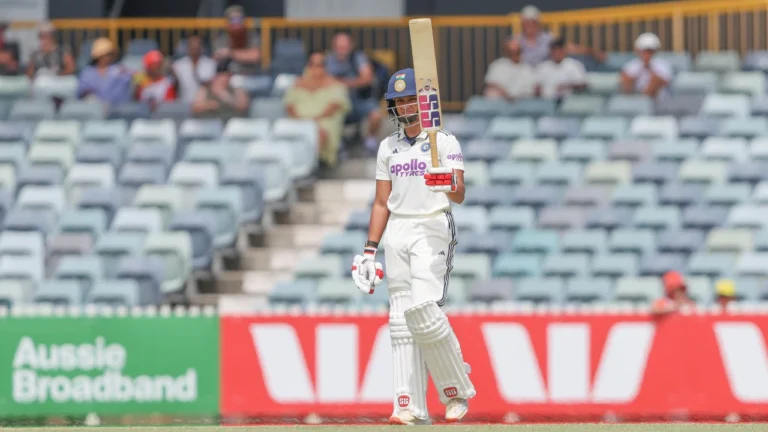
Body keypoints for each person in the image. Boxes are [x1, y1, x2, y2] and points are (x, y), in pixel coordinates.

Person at [351, 68, 475, 425]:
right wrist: (369, 249)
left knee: (423, 310)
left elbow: (459, 193)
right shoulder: (387, 147)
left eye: (410, 99)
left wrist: (439, 174)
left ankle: (456, 388)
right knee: (400, 321)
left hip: (431, 225)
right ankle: (408, 406)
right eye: (398, 100)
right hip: (398, 230)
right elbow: (380, 202)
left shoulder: (444, 141)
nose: (404, 105)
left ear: (424, 104)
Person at [284, 51, 351, 169]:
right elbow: (289, 106)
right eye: (313, 64)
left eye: (320, 65)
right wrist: (300, 120)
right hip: (297, 121)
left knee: (318, 133)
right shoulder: (296, 84)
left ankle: (310, 168)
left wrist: (313, 120)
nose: (316, 68)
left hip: (323, 121)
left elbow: (334, 106)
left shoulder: (335, 85)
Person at [326, 32, 383, 152]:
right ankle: (335, 144)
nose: (342, 50)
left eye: (344, 47)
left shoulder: (358, 57)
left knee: (376, 115)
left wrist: (343, 83)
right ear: (333, 46)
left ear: (350, 46)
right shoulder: (327, 60)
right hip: (336, 103)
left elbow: (367, 78)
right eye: (339, 47)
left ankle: (370, 143)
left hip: (358, 100)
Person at [76, 37, 134, 105]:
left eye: (110, 54)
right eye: (105, 55)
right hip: (94, 110)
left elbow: (124, 93)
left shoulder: (119, 70)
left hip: (116, 110)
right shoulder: (88, 72)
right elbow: (82, 92)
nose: (108, 57)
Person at [621, 32, 673, 99]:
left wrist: (649, 67)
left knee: (656, 79)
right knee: (626, 77)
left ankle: (643, 100)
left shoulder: (663, 65)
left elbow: (665, 82)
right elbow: (626, 82)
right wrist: (641, 69)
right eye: (644, 51)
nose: (646, 54)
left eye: (649, 51)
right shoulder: (631, 65)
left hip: (658, 99)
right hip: (635, 96)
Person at [536, 36, 587, 100]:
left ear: (564, 51)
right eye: (554, 50)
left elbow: (583, 85)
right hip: (547, 101)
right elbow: (537, 86)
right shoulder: (543, 67)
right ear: (550, 51)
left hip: (569, 101)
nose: (557, 53)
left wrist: (566, 86)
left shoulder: (574, 65)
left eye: (559, 50)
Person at [214, 5, 261, 74]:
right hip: (229, 76)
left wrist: (230, 53)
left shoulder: (252, 35)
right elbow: (216, 59)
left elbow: (255, 56)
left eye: (240, 19)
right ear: (227, 22)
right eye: (233, 19)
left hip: (252, 76)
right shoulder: (222, 39)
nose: (237, 22)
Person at [173, 35, 217, 103]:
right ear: (187, 48)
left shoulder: (211, 64)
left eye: (197, 46)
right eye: (192, 47)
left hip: (204, 106)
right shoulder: (178, 65)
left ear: (202, 48)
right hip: (184, 104)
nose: (195, 49)